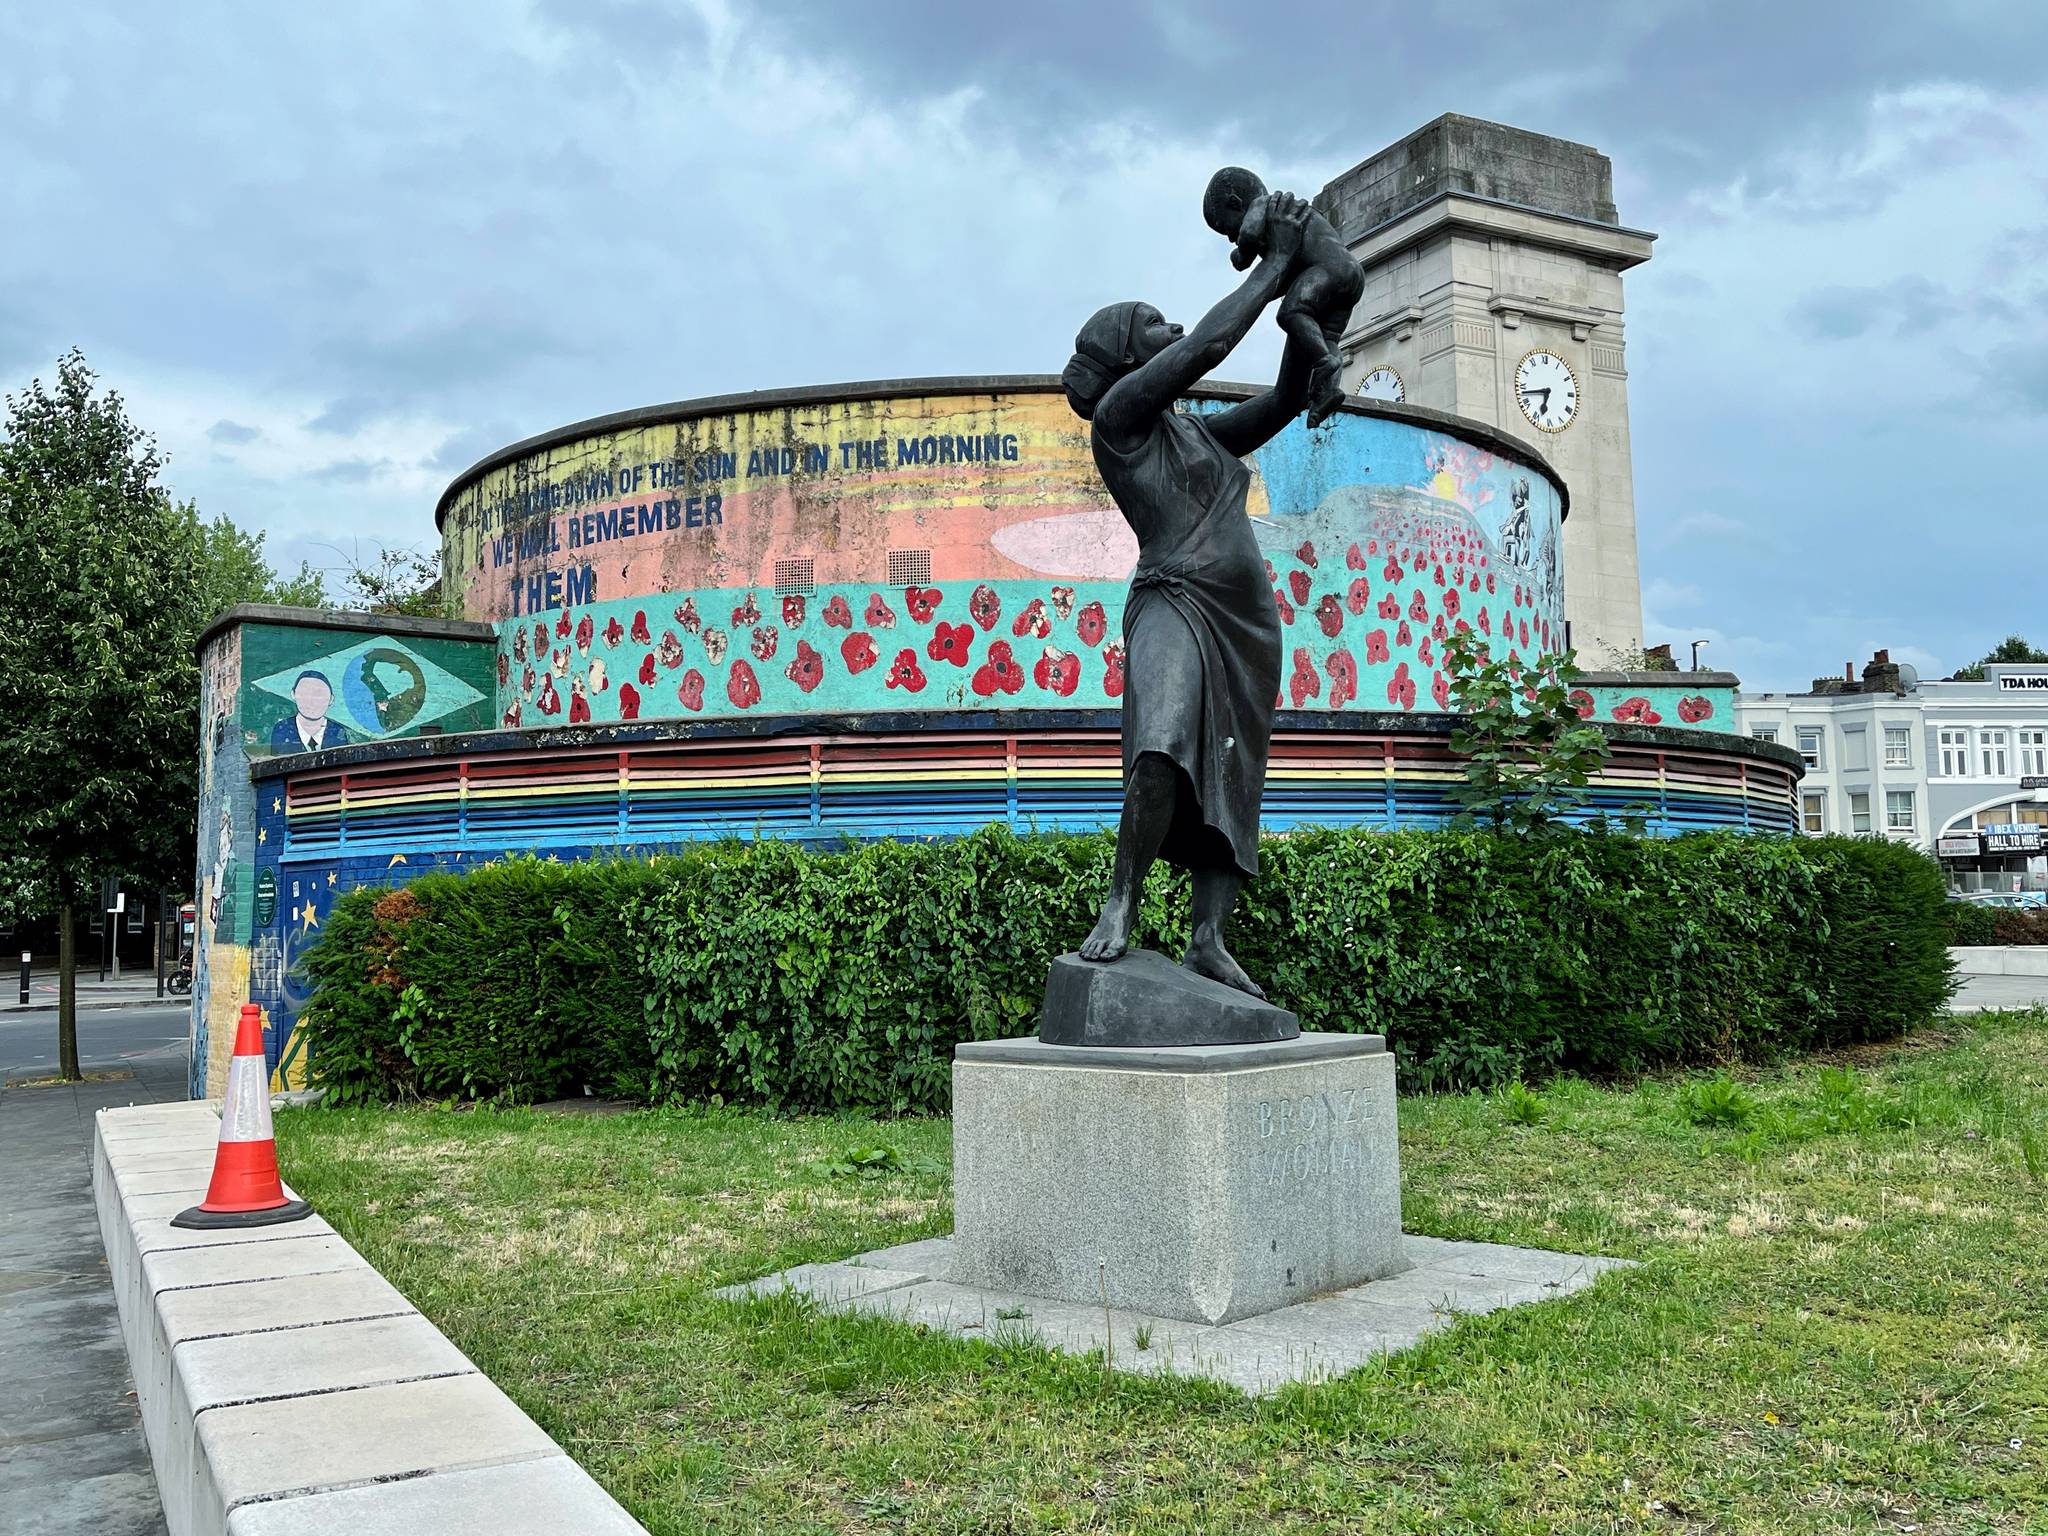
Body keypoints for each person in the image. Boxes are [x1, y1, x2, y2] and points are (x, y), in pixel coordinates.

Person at [1061, 190, 1316, 999]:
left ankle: (1208, 938)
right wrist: (1273, 267)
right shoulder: (1122, 418)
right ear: (1130, 356)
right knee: (1160, 748)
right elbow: (1207, 344)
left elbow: (1281, 401)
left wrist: (1305, 312)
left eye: (1171, 323)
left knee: (1236, 778)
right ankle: (1122, 904)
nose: (1173, 332)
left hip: (1245, 622)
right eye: (1156, 327)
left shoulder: (1195, 431)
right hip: (1172, 601)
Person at [1202, 167, 1364, 429]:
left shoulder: (1264, 205)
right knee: (1328, 336)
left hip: (1328, 270)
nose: (1230, 238)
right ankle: (1328, 391)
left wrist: (1240, 256)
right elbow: (1281, 278)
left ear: (1236, 203)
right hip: (1350, 274)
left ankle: (1324, 361)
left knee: (1290, 313)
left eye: (1226, 229)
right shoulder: (1288, 222)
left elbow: (1249, 235)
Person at [269, 670, 352, 753]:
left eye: (319, 694)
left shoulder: (337, 731)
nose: (311, 700)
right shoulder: (282, 729)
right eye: (304, 693)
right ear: (293, 694)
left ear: (331, 699)